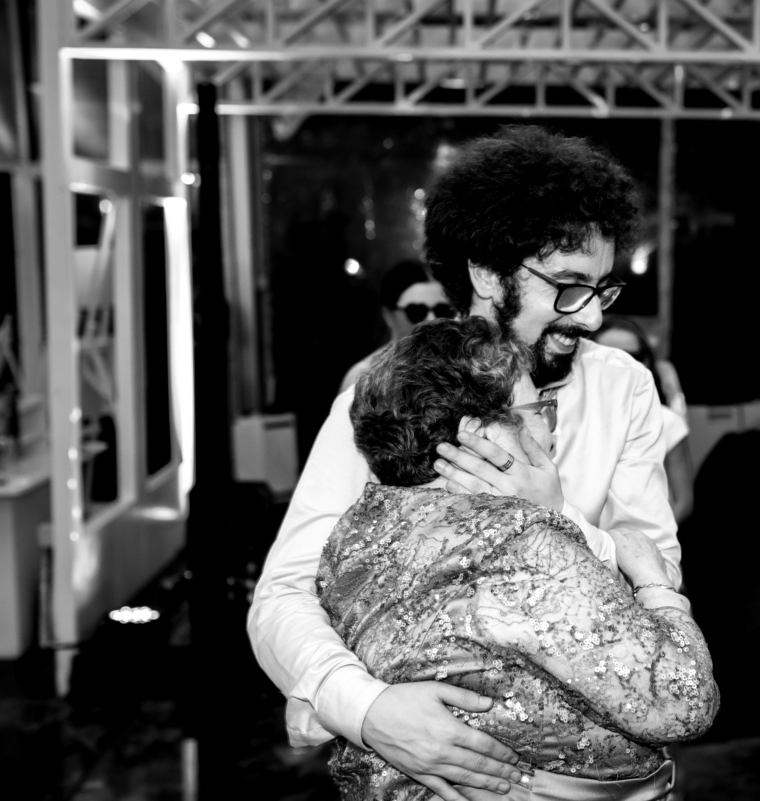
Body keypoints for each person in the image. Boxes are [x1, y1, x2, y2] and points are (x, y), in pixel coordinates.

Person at [249, 125, 679, 801]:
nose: (592, 318)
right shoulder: (384, 391)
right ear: (485, 273)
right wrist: (368, 711)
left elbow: (656, 570)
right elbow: (281, 597)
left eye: (602, 289)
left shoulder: (622, 387)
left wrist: (553, 518)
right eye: (568, 286)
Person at [321, 317, 718, 800]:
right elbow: (683, 701)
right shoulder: (521, 543)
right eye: (539, 409)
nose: (551, 430)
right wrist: (653, 580)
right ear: (478, 434)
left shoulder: (354, 533)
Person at [594, 317, 694, 524]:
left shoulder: (667, 422)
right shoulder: (568, 419)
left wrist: (655, 539)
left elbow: (684, 502)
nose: (621, 364)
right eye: (608, 355)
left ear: (646, 361)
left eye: (632, 356)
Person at [339, 261, 453, 393]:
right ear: (388, 315)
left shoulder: (456, 372)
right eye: (416, 311)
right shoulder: (362, 378)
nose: (431, 320)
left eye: (442, 310)